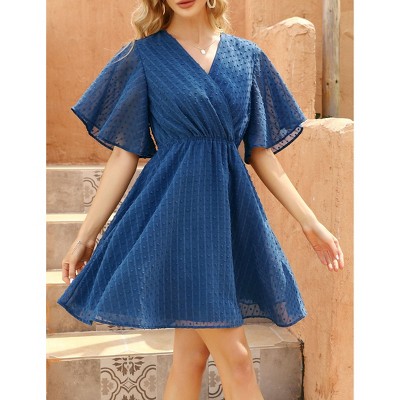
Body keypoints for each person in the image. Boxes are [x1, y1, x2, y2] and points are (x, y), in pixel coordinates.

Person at [57, 0, 345, 399]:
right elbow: (124, 154)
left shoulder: (248, 58)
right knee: (237, 360)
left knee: (190, 360)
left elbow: (261, 153)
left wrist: (310, 223)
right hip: (175, 214)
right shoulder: (144, 56)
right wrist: (86, 234)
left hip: (225, 214)